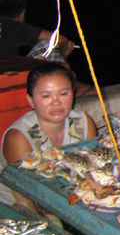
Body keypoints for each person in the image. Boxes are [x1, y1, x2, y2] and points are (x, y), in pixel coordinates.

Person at [0, 62, 97, 212]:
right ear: (31, 101)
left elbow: (92, 172)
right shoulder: (19, 137)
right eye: (46, 96)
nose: (56, 102)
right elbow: (27, 199)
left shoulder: (84, 123)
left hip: (68, 199)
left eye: (64, 94)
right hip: (16, 208)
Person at [0, 0, 75, 59]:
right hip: (5, 70)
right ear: (22, 13)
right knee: (48, 45)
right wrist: (63, 53)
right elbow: (60, 40)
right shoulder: (15, 27)